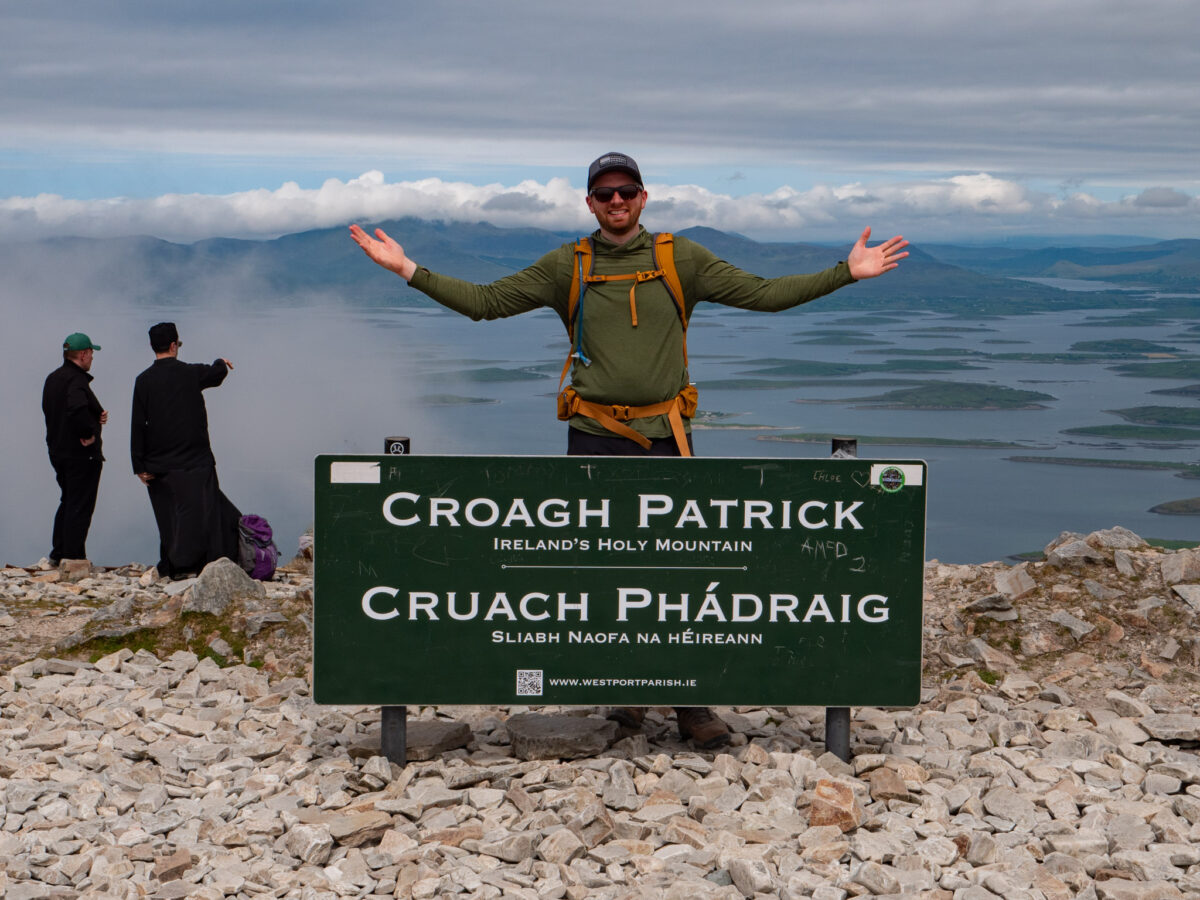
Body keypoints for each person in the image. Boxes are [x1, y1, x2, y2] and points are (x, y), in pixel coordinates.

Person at [350, 152, 908, 748]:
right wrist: (407, 269)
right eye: (604, 192)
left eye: (626, 191)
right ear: (589, 202)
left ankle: (691, 705)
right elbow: (487, 302)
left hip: (667, 436)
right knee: (597, 568)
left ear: (643, 198)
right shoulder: (568, 263)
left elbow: (764, 295)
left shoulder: (679, 257)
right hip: (592, 434)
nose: (616, 201)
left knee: (680, 568)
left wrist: (845, 273)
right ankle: (626, 693)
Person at [131, 322, 241, 579]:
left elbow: (138, 423)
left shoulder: (143, 380)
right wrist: (220, 361)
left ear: (152, 347)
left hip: (158, 463)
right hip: (196, 461)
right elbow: (217, 374)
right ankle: (205, 565)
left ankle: (175, 565)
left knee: (169, 518)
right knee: (204, 515)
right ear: (173, 345)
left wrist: (139, 465)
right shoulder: (191, 373)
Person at [42, 332, 108, 564]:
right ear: (82, 354)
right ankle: (73, 556)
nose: (92, 358)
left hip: (57, 451)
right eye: (91, 353)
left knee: (68, 500)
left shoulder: (53, 378)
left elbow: (58, 410)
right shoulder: (76, 381)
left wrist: (95, 415)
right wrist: (88, 434)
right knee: (80, 505)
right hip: (80, 455)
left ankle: (59, 552)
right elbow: (76, 409)